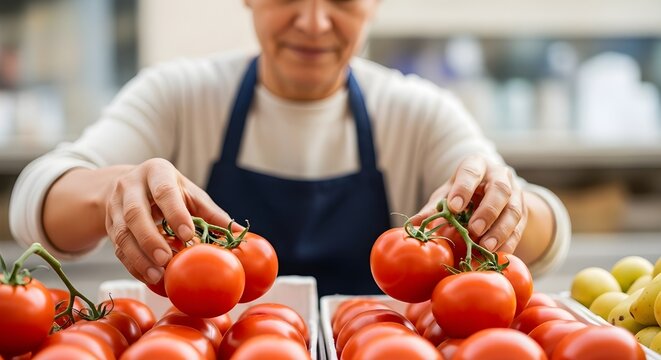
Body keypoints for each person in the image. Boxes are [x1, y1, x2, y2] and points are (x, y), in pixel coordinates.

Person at [9, 0, 570, 296]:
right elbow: (34, 203)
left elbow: (547, 236)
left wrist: (509, 203)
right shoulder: (179, 95)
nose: (313, 20)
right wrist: (111, 187)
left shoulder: (417, 111)